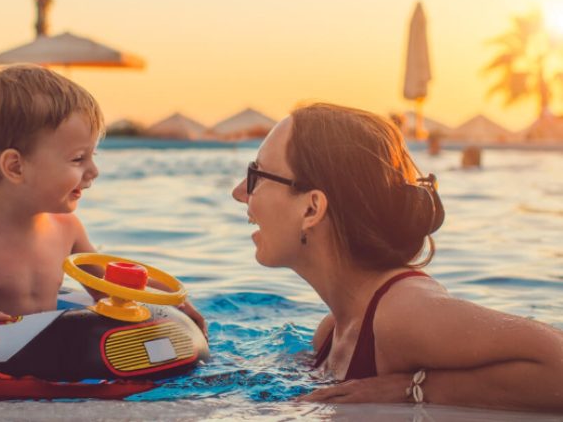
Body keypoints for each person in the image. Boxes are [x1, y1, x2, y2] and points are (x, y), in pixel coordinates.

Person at [231, 103, 563, 412]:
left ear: (312, 208)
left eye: (256, 176)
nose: (239, 192)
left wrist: (415, 389)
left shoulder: (399, 314)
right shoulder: (331, 331)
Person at [0, 65, 204, 363]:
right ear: (16, 167)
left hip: (48, 361)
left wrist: (170, 304)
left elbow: (108, 291)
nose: (93, 171)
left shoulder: (67, 228)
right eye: (78, 159)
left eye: (92, 156)